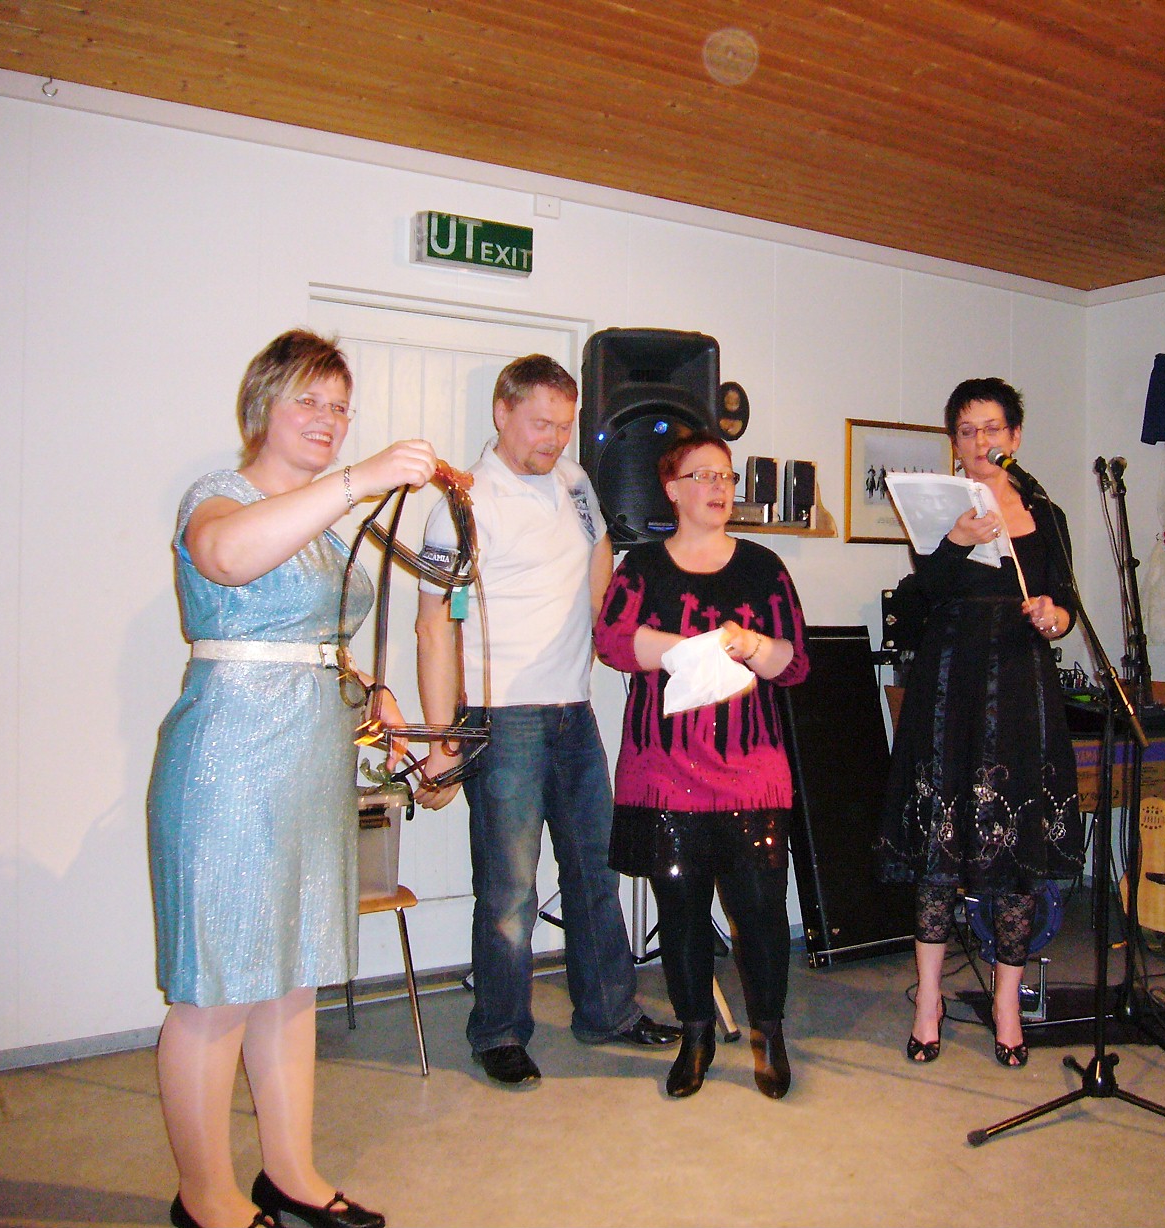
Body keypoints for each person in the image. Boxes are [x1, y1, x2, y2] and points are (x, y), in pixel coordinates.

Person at [148, 330, 445, 1228]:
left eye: (340, 407)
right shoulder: (221, 495)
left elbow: (308, 639)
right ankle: (205, 1199)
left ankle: (291, 1176)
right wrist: (358, 479)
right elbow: (226, 560)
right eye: (309, 401)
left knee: (293, 980)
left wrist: (367, 690)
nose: (328, 419)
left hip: (311, 764)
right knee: (217, 992)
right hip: (230, 765)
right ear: (262, 406)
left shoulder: (319, 522)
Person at [412, 354, 678, 1086]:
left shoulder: (575, 480)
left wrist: (602, 628)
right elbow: (432, 627)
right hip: (502, 719)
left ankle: (609, 1013)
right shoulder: (459, 505)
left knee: (597, 870)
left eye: (564, 425)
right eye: (539, 424)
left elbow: (599, 548)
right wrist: (441, 742)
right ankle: (499, 1031)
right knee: (510, 892)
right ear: (501, 413)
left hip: (573, 711)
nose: (553, 439)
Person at [593, 432, 810, 1099]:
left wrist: (751, 645)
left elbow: (795, 663)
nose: (717, 487)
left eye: (725, 475)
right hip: (665, 771)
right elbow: (611, 643)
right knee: (681, 911)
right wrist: (691, 646)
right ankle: (696, 1034)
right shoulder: (641, 567)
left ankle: (769, 1034)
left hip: (751, 769)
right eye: (702, 475)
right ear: (672, 489)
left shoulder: (764, 567)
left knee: (761, 913)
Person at [876, 377, 1082, 1069]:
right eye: (966, 431)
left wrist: (1055, 617)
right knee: (940, 847)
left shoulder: (1046, 514)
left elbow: (1066, 603)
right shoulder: (941, 508)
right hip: (950, 685)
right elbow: (923, 593)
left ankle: (1006, 1004)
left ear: (1014, 438)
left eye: (991, 429)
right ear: (954, 442)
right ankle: (928, 1001)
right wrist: (957, 541)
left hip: (1020, 685)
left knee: (1015, 849)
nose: (979, 441)